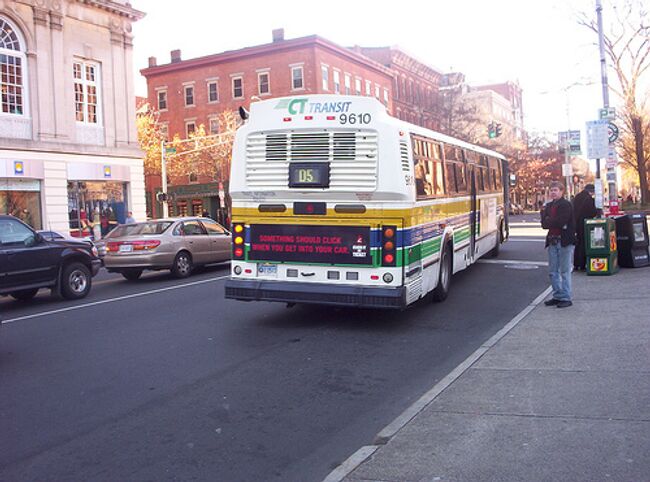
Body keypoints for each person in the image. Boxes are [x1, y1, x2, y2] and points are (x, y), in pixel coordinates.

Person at [541, 181, 576, 308]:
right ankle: (557, 295)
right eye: (551, 190)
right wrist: (549, 220)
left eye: (556, 190)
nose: (553, 192)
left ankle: (566, 297)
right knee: (553, 271)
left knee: (564, 270)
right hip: (552, 240)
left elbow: (561, 221)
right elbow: (544, 224)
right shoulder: (549, 206)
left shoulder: (566, 205)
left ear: (562, 192)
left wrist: (549, 220)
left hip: (564, 241)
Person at [572, 184, 600, 270]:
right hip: (585, 223)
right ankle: (582, 263)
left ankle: (576, 264)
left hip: (576, 223)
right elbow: (592, 212)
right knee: (585, 243)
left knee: (578, 243)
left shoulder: (576, 197)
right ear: (591, 191)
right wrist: (597, 211)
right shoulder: (589, 199)